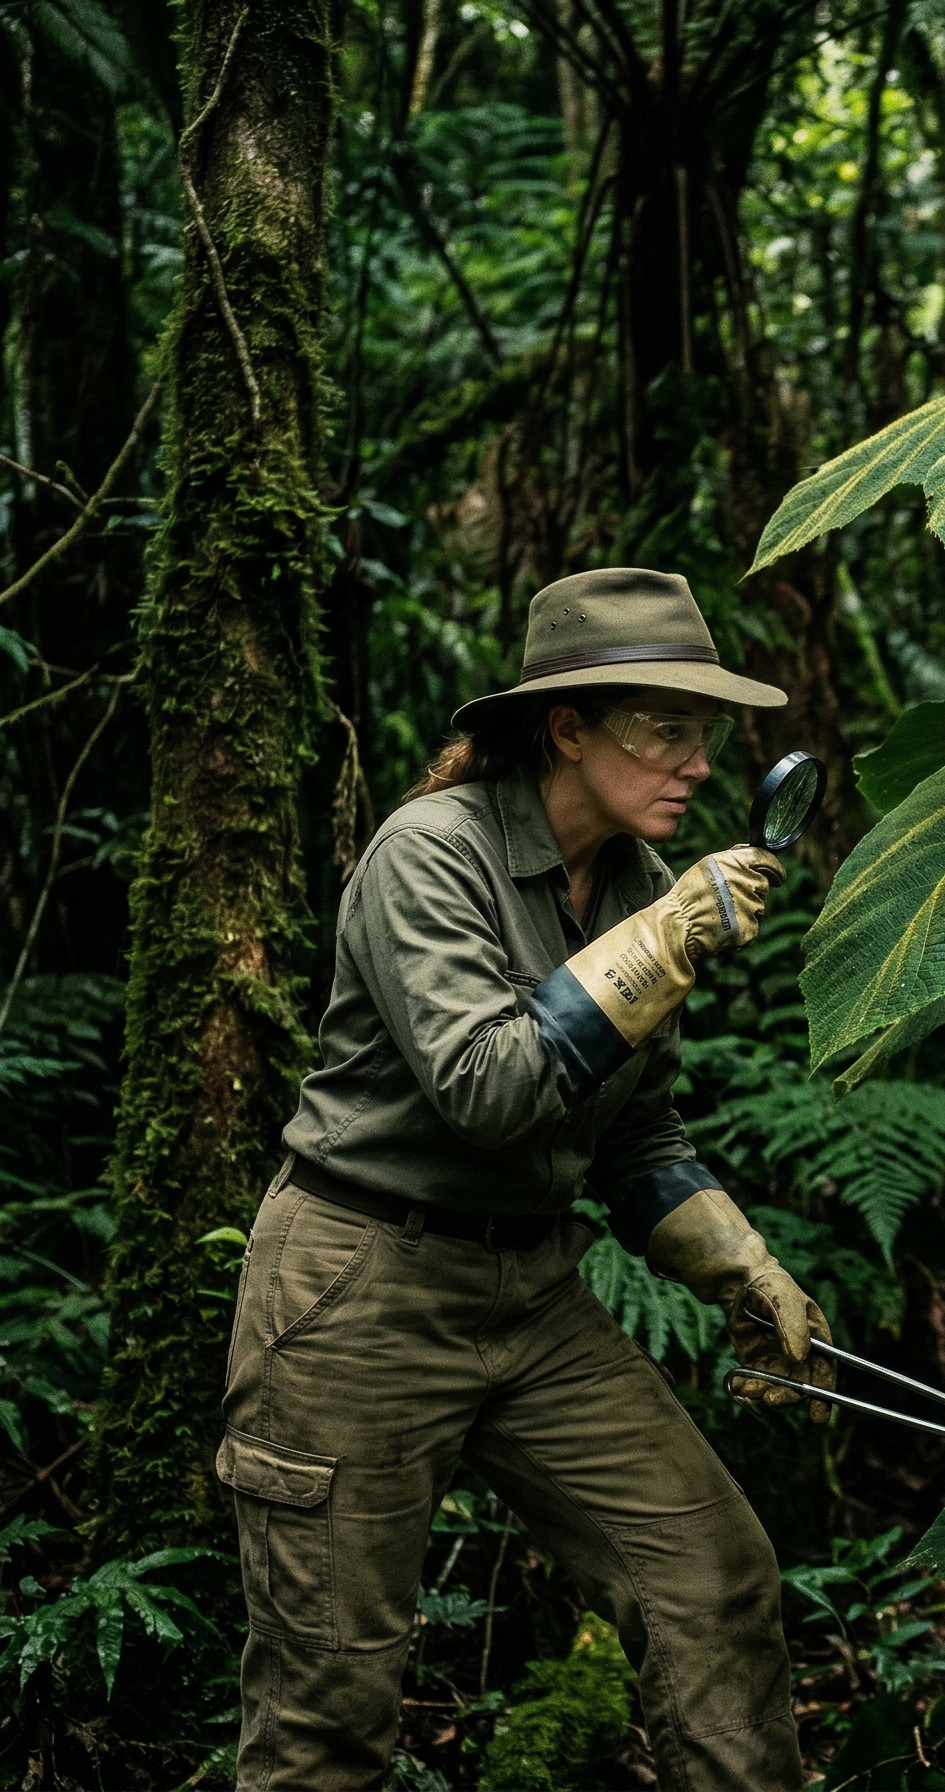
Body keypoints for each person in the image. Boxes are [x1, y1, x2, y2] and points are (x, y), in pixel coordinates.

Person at [220, 568, 829, 1789]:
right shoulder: (429, 856)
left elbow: (636, 1138)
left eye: (704, 735)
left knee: (714, 1583)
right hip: (359, 1290)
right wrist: (663, 946)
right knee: (328, 1707)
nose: (696, 765)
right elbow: (489, 1087)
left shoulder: (641, 885)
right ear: (568, 727)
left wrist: (742, 1266)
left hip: (534, 1297)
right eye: (663, 729)